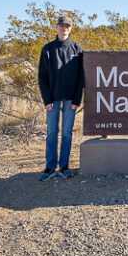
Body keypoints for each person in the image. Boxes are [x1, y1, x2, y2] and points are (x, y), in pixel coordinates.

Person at [37, 16, 84, 181]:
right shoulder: (48, 49)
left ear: (70, 28)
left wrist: (77, 100)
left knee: (67, 133)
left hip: (71, 99)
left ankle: (64, 166)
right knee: (52, 133)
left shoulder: (77, 49)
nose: (65, 28)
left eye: (67, 26)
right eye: (62, 26)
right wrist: (47, 100)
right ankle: (50, 167)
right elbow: (42, 77)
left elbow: (81, 78)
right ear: (57, 27)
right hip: (53, 99)